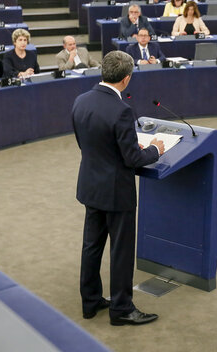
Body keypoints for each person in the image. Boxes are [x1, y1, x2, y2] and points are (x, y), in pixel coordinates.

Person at [72, 50, 163, 327]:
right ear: (126, 79)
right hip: (116, 192)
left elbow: (87, 143)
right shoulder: (122, 110)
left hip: (91, 186)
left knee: (92, 246)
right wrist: (154, 151)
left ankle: (90, 301)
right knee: (120, 250)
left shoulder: (81, 101)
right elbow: (132, 159)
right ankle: (122, 308)